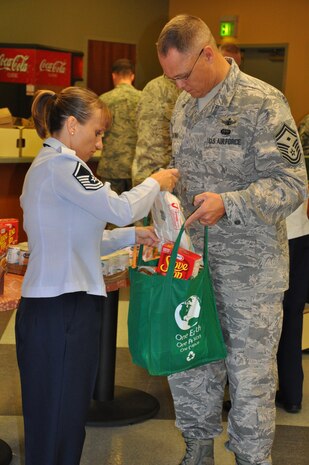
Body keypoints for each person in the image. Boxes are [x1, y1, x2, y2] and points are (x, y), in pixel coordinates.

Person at [156, 14, 308, 465]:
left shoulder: (264, 102)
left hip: (251, 273)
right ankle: (197, 450)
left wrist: (230, 203)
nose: (178, 86)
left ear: (209, 53)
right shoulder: (184, 105)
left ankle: (251, 459)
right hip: (195, 265)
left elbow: (293, 183)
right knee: (193, 365)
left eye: (182, 75)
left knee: (251, 379)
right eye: (171, 78)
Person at [15, 86, 179, 465]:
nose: (101, 142)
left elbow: (80, 235)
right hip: (61, 310)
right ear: (72, 126)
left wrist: (132, 235)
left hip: (61, 308)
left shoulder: (53, 167)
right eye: (98, 132)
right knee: (57, 420)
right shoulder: (63, 166)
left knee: (64, 418)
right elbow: (119, 208)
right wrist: (157, 181)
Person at [276, 115, 309, 413]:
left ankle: (253, 393)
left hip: (274, 236)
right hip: (300, 230)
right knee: (292, 313)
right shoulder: (291, 135)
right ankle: (292, 393)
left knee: (264, 319)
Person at [96, 58, 141, 194]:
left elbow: (96, 130)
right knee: (135, 212)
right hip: (136, 166)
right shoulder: (144, 98)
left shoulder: (104, 99)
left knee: (110, 210)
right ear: (132, 76)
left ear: (114, 76)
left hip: (111, 166)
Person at [132, 74, 181, 186]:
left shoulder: (150, 87)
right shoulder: (185, 90)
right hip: (166, 177)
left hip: (143, 172)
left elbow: (138, 126)